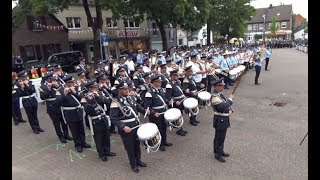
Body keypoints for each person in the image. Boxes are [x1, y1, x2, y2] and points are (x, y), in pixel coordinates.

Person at [109, 80, 147, 173]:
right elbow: (113, 118)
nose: (127, 91)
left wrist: (145, 111)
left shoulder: (131, 98)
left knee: (137, 144)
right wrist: (123, 127)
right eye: (125, 89)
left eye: (128, 89)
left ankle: (138, 160)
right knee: (130, 147)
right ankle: (133, 164)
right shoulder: (116, 103)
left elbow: (137, 106)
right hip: (127, 128)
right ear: (119, 90)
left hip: (135, 125)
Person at [55, 75, 91, 153]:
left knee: (81, 128)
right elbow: (57, 103)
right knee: (74, 130)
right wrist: (64, 94)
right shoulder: (60, 90)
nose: (72, 84)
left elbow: (81, 98)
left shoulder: (76, 88)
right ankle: (78, 144)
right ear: (66, 83)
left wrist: (75, 92)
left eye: (72, 82)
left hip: (78, 111)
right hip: (70, 113)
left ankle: (83, 142)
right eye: (70, 83)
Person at [83, 81, 116, 161]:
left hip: (103, 117)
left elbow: (108, 102)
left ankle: (107, 151)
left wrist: (98, 97)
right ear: (90, 89)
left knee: (106, 136)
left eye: (96, 87)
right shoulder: (85, 97)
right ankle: (101, 154)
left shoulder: (99, 94)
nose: (96, 89)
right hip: (95, 120)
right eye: (94, 88)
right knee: (99, 137)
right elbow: (87, 110)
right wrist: (91, 100)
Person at [39, 72, 72, 143]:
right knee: (56, 123)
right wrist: (48, 88)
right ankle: (60, 136)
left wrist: (58, 87)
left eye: (54, 78)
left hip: (60, 105)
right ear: (48, 79)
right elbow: (42, 97)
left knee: (64, 121)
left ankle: (66, 135)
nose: (54, 79)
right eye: (52, 78)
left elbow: (64, 91)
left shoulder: (58, 83)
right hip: (52, 107)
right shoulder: (42, 86)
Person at [144, 74, 172, 151]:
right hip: (156, 114)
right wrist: (153, 113)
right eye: (158, 81)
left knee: (164, 127)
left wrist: (168, 101)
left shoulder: (160, 90)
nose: (160, 83)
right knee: (158, 129)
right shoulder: (149, 93)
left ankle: (164, 141)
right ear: (154, 83)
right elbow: (147, 106)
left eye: (160, 81)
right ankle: (160, 144)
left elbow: (164, 99)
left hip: (163, 112)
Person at [210, 78, 234, 163]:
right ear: (216, 87)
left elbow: (225, 105)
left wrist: (230, 110)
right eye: (221, 85)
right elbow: (223, 106)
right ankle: (217, 154)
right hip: (220, 119)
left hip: (224, 118)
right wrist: (230, 99)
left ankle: (221, 151)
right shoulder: (214, 97)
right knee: (219, 137)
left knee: (222, 137)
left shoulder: (219, 94)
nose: (222, 87)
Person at [165, 69, 188, 136]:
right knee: (177, 117)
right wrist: (175, 101)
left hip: (181, 102)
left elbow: (180, 91)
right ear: (172, 76)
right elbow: (168, 97)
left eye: (177, 75)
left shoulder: (177, 82)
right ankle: (178, 130)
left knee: (181, 115)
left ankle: (180, 128)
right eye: (175, 75)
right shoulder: (169, 85)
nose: (177, 76)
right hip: (176, 104)